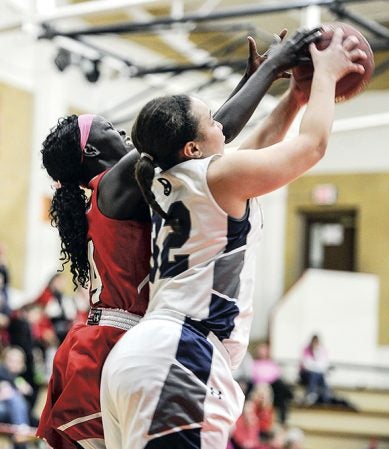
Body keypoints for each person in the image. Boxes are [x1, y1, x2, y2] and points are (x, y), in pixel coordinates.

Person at [37, 28, 321, 449]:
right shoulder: (112, 185)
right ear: (93, 154)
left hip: (114, 342)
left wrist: (254, 81)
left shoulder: (125, 192)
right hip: (124, 341)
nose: (119, 132)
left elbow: (203, 144)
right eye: (109, 128)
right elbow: (195, 137)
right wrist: (272, 70)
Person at [100, 28, 366, 449]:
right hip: (180, 355)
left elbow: (258, 146)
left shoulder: (169, 179)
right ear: (191, 148)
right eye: (211, 121)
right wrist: (328, 77)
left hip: (143, 356)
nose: (221, 126)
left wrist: (296, 97)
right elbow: (312, 146)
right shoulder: (214, 176)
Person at [252, 342, 293, 425]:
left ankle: (286, 401)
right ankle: (289, 395)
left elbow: (277, 374)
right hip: (260, 385)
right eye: (261, 350)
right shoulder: (255, 364)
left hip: (272, 384)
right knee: (278, 389)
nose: (262, 352)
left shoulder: (272, 363)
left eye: (264, 350)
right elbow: (254, 377)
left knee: (280, 386)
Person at [299, 334, 331, 405]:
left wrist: (316, 365)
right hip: (306, 373)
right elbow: (307, 365)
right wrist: (316, 366)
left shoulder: (321, 350)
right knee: (314, 375)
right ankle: (312, 394)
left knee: (320, 376)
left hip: (317, 374)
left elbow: (324, 364)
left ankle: (325, 396)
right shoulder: (307, 350)